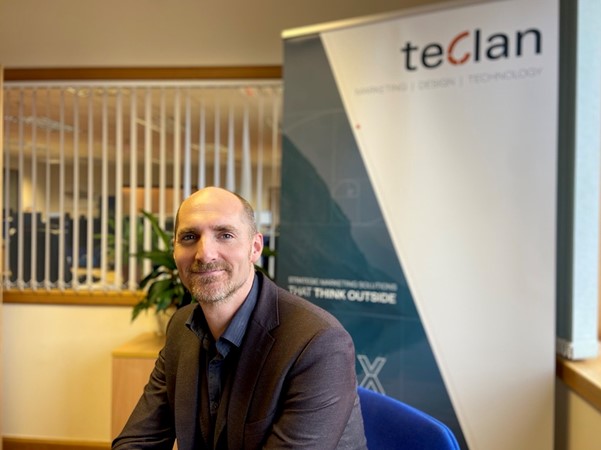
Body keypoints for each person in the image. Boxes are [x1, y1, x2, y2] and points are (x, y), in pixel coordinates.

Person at [112, 186, 367, 450]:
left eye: (225, 235)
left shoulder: (318, 344)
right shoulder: (181, 327)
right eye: (189, 236)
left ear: (255, 247)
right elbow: (137, 441)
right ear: (175, 250)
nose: (204, 253)